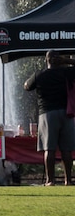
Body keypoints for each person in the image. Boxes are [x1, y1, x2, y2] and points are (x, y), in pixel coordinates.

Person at [23, 50, 75, 185]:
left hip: (47, 114)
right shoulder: (66, 73)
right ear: (58, 60)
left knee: (49, 149)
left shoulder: (40, 75)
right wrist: (67, 61)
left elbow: (27, 86)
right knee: (66, 150)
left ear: (46, 60)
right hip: (66, 113)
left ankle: (50, 180)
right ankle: (68, 180)